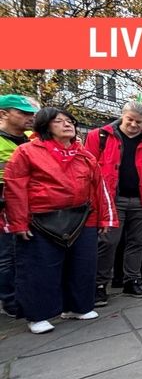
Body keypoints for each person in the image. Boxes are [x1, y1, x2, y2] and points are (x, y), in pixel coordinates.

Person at [4, 108, 117, 333]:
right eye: (59, 121)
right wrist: (18, 223)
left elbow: (99, 188)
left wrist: (105, 219)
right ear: (46, 126)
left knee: (82, 265)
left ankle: (77, 307)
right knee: (40, 268)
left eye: (69, 121)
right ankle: (38, 315)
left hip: (82, 217)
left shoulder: (85, 155)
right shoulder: (27, 152)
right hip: (40, 220)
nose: (67, 124)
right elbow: (15, 188)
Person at [87, 101, 142, 306]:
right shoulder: (99, 136)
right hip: (111, 200)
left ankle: (132, 281)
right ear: (122, 116)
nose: (134, 125)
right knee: (108, 242)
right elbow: (88, 168)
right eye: (130, 120)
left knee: (137, 243)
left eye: (139, 121)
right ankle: (99, 285)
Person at [0, 94, 38, 318]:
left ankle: (26, 295)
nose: (29, 117)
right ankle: (11, 301)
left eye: (30, 113)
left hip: (30, 206)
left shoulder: (30, 140)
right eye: (22, 113)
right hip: (5, 206)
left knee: (25, 253)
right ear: (4, 114)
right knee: (7, 256)